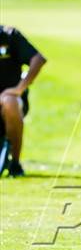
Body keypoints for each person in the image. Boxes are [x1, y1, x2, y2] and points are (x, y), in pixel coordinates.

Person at [0, 25, 47, 177]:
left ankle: (15, 163)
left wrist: (19, 88)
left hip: (9, 100)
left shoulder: (10, 35)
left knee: (10, 102)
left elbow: (38, 59)